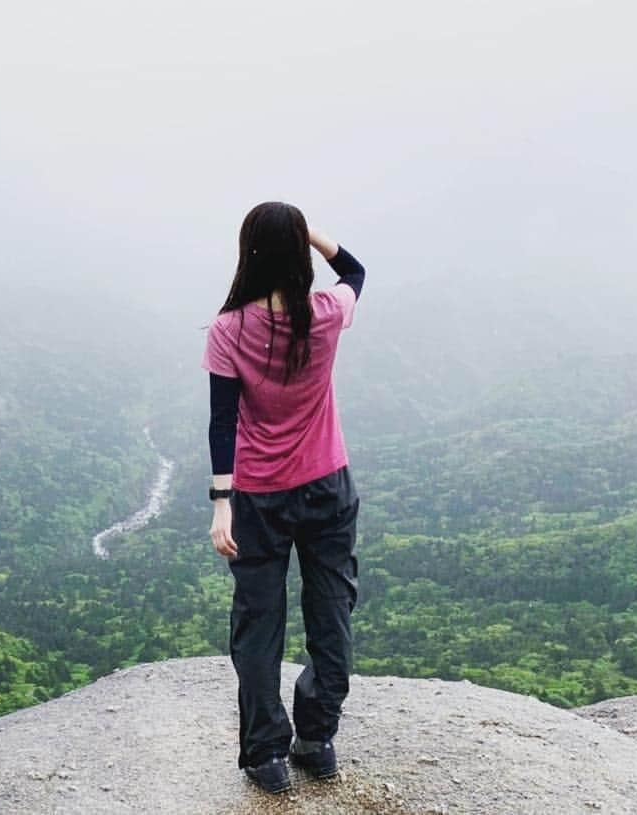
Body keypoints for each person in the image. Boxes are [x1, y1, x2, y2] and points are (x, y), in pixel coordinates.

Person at [200, 201, 365, 795]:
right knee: (332, 612)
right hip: (328, 486)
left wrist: (223, 503)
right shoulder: (324, 314)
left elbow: (222, 424)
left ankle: (265, 754)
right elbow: (356, 273)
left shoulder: (227, 331)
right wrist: (315, 236)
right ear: (297, 255)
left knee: (258, 624)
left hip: (259, 498)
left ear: (247, 255)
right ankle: (317, 740)